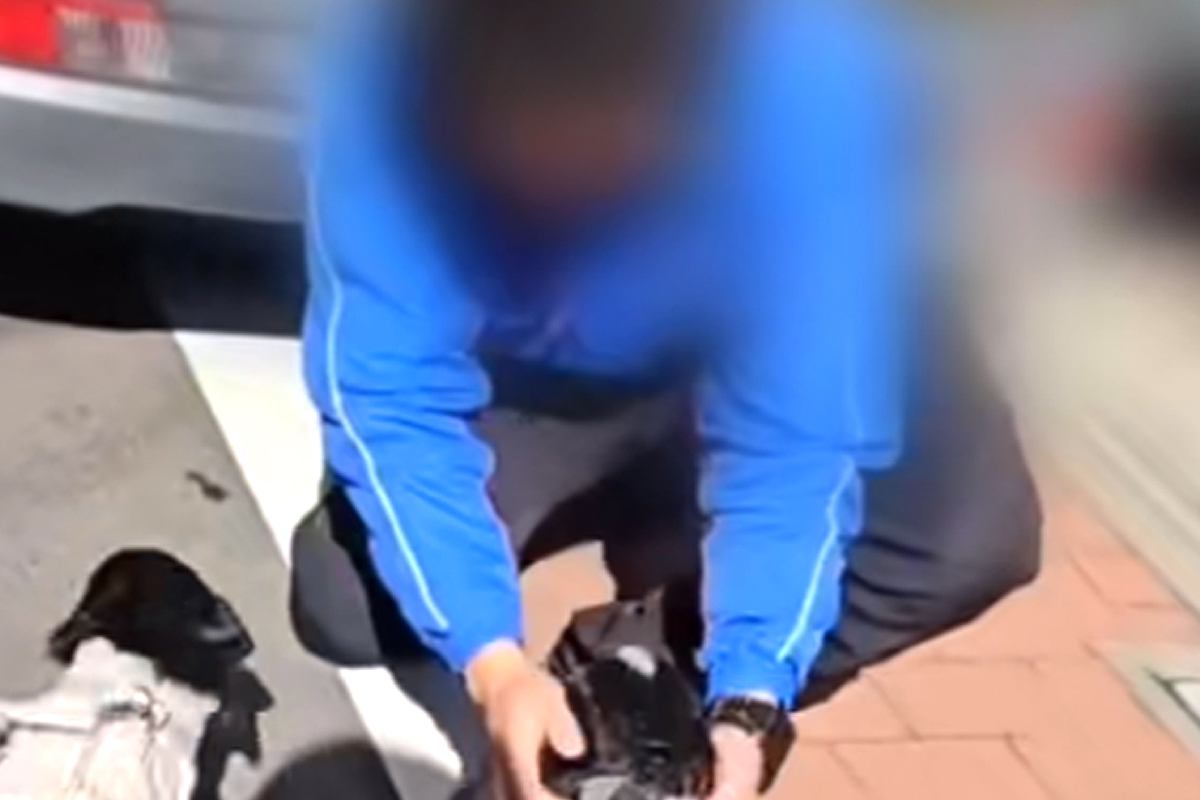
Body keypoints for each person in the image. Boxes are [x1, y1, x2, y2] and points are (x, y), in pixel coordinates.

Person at [292, 1, 1043, 798]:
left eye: (607, 166)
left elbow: (798, 443)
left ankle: (644, 686)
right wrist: (493, 664)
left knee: (967, 535)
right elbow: (392, 400)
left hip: (760, 312)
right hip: (552, 370)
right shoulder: (388, 76)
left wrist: (751, 693)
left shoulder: (814, 88)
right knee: (346, 594)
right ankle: (600, 631)